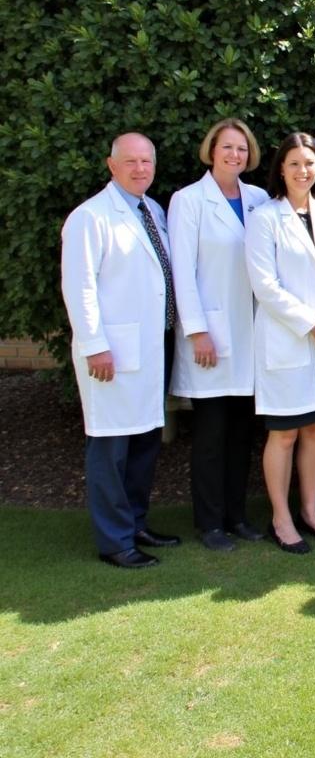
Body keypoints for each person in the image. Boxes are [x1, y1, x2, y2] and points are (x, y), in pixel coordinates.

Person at [62, 132, 181, 568]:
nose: (140, 169)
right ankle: (115, 541)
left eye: (146, 161)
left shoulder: (154, 210)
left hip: (152, 346)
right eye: (130, 162)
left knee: (145, 441)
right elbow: (80, 288)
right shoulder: (90, 217)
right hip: (111, 353)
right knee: (110, 447)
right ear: (111, 166)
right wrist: (95, 346)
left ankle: (136, 523)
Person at [245, 133, 315, 554]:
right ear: (280, 169)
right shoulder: (265, 218)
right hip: (288, 341)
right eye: (294, 164)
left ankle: (311, 511)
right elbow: (265, 286)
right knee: (285, 434)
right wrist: (311, 323)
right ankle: (282, 516)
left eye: (309, 163)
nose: (302, 171)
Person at [168, 119, 270, 551]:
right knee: (210, 437)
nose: (235, 155)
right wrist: (197, 332)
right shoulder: (188, 201)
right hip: (209, 336)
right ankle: (209, 523)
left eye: (242, 149)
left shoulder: (259, 199)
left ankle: (236, 515)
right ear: (211, 151)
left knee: (241, 436)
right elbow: (183, 273)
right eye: (227, 148)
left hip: (250, 337)